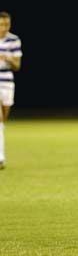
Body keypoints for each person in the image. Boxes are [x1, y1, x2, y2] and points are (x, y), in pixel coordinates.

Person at [0, 12, 22, 170]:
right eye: (1, 25)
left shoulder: (14, 40)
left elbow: (17, 66)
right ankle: (1, 156)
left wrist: (6, 58)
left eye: (6, 25)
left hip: (7, 82)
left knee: (3, 119)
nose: (4, 28)